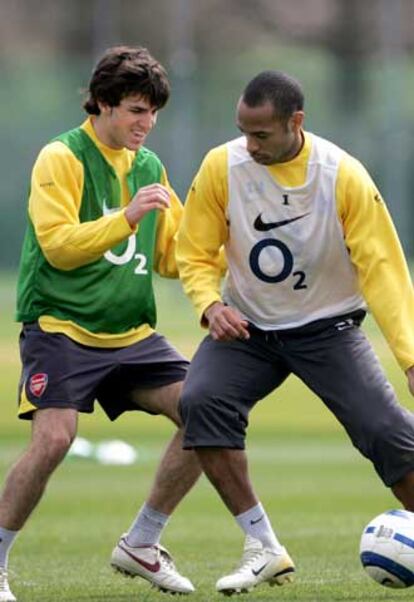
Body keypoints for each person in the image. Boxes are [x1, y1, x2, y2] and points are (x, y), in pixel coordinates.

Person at [176, 69, 414, 595]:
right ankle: (262, 546)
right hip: (248, 329)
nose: (249, 144)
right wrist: (210, 304)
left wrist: (411, 358)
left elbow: (384, 270)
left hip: (328, 329)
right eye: (243, 131)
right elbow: (192, 252)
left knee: (386, 432)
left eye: (261, 134)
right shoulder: (222, 166)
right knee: (201, 401)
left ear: (295, 123)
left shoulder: (341, 174)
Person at [0, 45, 203, 602]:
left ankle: (143, 542)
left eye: (153, 111)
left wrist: (225, 244)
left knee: (207, 412)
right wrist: (126, 216)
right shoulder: (60, 157)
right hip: (61, 329)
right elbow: (60, 248)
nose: (148, 123)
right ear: (104, 104)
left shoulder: (150, 166)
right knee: (54, 440)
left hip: (132, 335)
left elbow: (170, 257)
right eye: (137, 109)